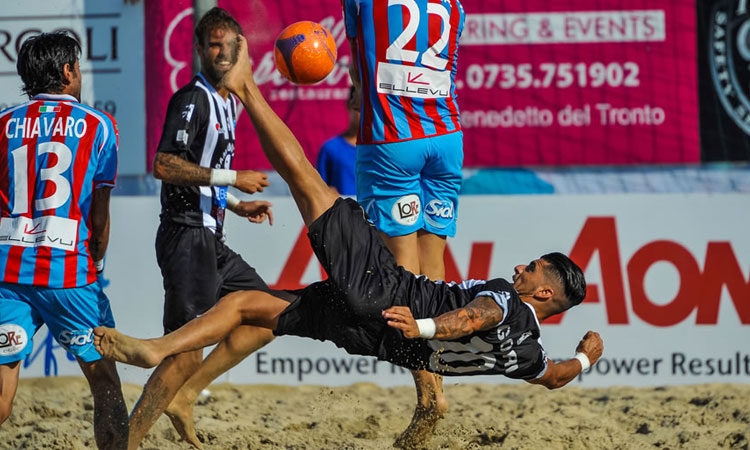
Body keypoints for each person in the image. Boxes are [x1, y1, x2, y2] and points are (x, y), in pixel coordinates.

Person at [94, 35, 604, 445]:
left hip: (388, 299)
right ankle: (161, 356)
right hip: (377, 340)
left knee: (305, 182)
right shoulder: (529, 356)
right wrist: (584, 358)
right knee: (253, 306)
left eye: (532, 269)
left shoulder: (506, 302)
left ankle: (248, 87)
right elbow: (556, 376)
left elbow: (472, 317)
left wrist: (424, 323)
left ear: (542, 294)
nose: (521, 268)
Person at [127, 8, 275, 450]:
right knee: (186, 349)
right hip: (186, 235)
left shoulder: (227, 101)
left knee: (268, 316)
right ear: (199, 49)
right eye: (214, 44)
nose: (224, 52)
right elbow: (164, 165)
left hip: (210, 236)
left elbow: (198, 171)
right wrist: (233, 179)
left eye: (231, 44)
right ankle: (127, 441)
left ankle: (186, 395)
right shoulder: (192, 98)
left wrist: (235, 202)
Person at [343, 0, 466, 446]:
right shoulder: (452, 3)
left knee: (403, 274)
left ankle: (429, 395)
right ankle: (438, 385)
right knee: (433, 271)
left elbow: (358, 75)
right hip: (446, 136)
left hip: (393, 139)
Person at [0, 32, 128, 449]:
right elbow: (100, 214)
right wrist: (99, 263)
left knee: (2, 391)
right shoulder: (99, 126)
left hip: (7, 272)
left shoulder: (2, 124)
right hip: (68, 274)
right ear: (69, 70)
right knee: (105, 383)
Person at [315, 86, 360, 196]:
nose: (365, 114)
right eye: (360, 108)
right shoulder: (330, 148)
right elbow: (320, 191)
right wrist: (327, 192)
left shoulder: (383, 149)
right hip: (344, 211)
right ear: (350, 105)